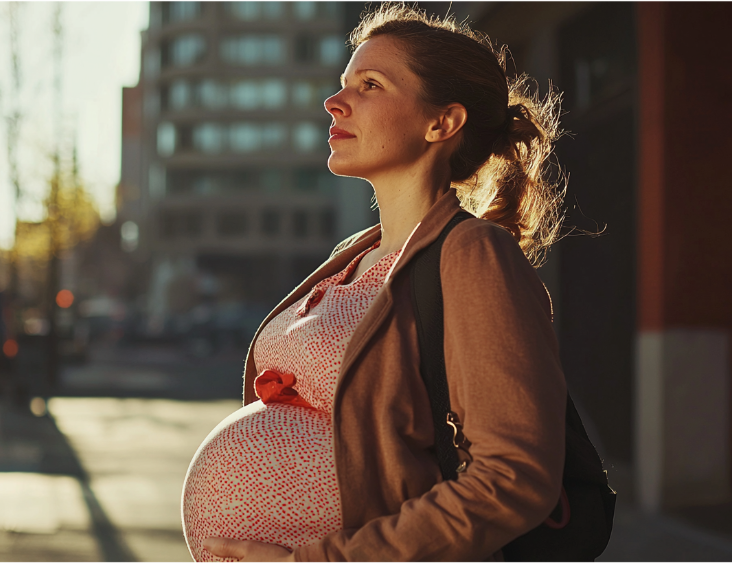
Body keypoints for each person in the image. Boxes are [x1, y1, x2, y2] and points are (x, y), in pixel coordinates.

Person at [181, 4, 567, 562]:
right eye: (343, 85)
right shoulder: (352, 257)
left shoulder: (472, 255)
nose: (335, 103)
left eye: (370, 85)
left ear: (442, 123)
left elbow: (514, 476)